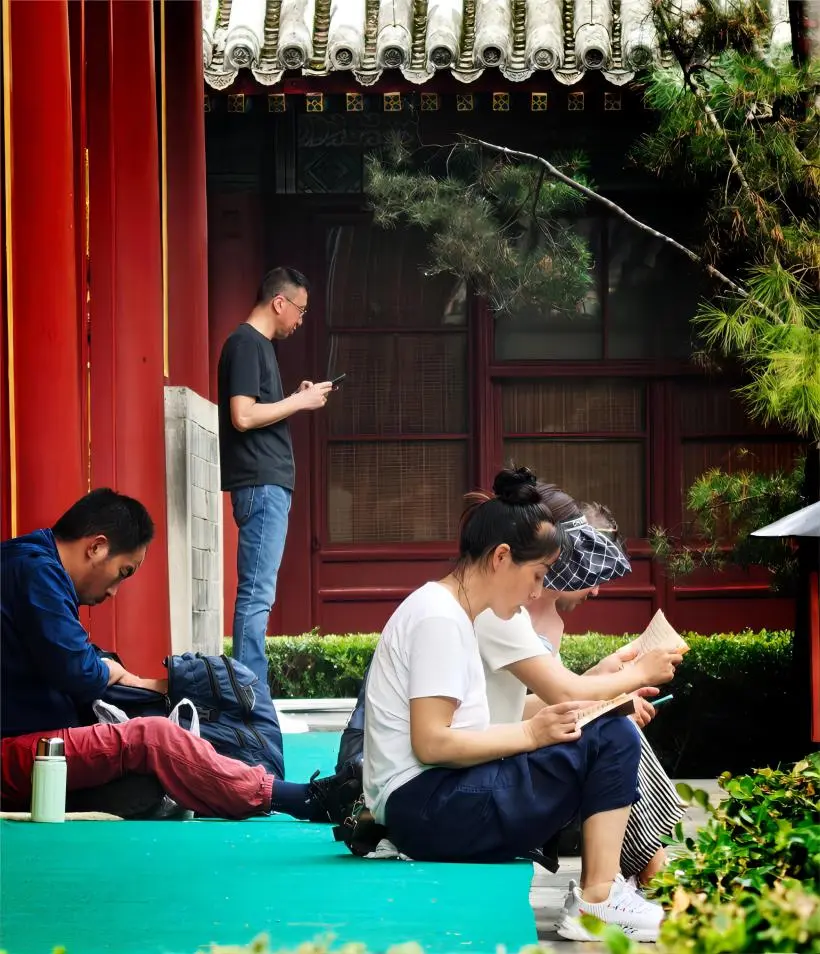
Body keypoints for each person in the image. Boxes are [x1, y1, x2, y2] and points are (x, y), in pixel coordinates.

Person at [362, 468, 667, 943]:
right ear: (502, 557)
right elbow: (433, 742)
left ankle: (601, 894)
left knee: (606, 727)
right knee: (615, 735)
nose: (534, 593)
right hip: (428, 809)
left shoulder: (452, 612)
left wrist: (568, 715)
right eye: (538, 576)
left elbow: (480, 724)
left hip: (430, 805)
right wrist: (534, 734)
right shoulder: (439, 618)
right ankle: (598, 898)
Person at [0, 489, 356, 822]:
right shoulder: (37, 572)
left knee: (146, 763)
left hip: (39, 745)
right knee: (152, 736)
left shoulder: (26, 563)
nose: (114, 591)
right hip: (17, 754)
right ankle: (302, 798)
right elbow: (78, 671)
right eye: (123, 573)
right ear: (96, 547)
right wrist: (108, 671)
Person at [218, 267, 333, 687]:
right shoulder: (247, 343)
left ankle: (249, 694)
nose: (300, 320)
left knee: (258, 593)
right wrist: (299, 402)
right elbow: (243, 415)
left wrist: (292, 398)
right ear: (279, 302)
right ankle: (250, 697)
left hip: (266, 485)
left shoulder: (258, 346)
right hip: (261, 485)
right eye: (299, 309)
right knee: (256, 595)